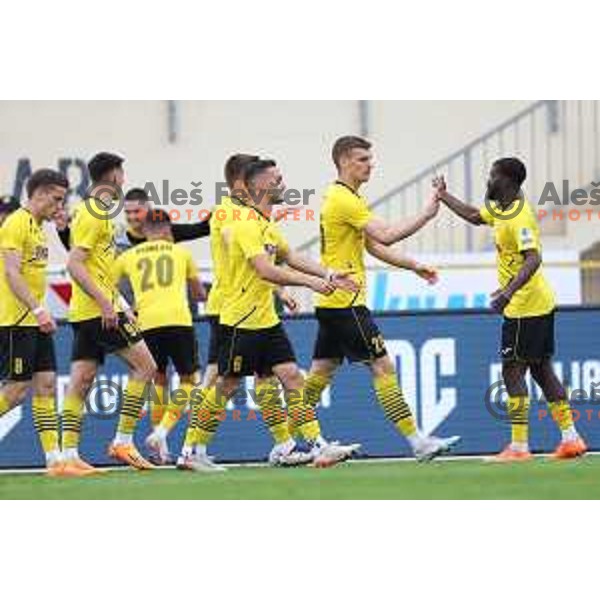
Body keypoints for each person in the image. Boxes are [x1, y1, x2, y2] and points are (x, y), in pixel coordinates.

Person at [191, 158, 361, 470]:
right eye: (278, 179)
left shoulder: (266, 224)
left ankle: (318, 445)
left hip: (266, 320)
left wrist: (329, 274)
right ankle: (193, 451)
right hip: (241, 319)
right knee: (227, 386)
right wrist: (312, 283)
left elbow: (291, 257)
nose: (283, 184)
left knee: (293, 378)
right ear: (260, 186)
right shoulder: (242, 222)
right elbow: (265, 269)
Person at [302, 136, 460, 461]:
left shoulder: (345, 198)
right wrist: (427, 214)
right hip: (346, 303)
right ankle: (418, 442)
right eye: (362, 159)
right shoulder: (344, 199)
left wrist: (414, 265)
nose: (369, 164)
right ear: (344, 161)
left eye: (369, 159)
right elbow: (386, 234)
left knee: (319, 375)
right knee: (382, 367)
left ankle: (288, 441)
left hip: (332, 304)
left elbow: (374, 246)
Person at [433, 158, 586, 461]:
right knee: (541, 370)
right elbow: (476, 216)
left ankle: (519, 446)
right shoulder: (502, 208)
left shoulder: (521, 217)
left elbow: (533, 258)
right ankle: (572, 439)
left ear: (507, 181)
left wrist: (507, 292)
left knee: (512, 370)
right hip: (532, 303)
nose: (488, 180)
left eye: (492, 175)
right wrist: (444, 195)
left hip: (525, 306)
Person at [62, 152, 158, 472]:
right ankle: (123, 440)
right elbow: (74, 263)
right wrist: (107, 304)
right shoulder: (92, 213)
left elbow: (98, 267)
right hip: (97, 311)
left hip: (90, 309)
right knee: (146, 366)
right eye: (121, 173)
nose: (124, 179)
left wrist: (121, 304)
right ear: (113, 175)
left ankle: (67, 456)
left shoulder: (94, 211)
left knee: (82, 380)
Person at [0, 170, 84, 476]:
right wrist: (38, 309)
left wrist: (63, 228)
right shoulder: (15, 224)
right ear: (39, 193)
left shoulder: (38, 227)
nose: (60, 205)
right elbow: (11, 273)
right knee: (15, 391)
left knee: (46, 386)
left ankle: (55, 460)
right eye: (57, 199)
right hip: (17, 320)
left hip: (34, 321)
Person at [111, 209, 206, 464]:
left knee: (159, 381)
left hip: (147, 323)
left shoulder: (128, 256)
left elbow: (105, 284)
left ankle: (159, 450)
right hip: (178, 321)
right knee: (189, 380)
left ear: (143, 231)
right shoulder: (182, 253)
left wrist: (125, 308)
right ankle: (161, 431)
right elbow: (198, 294)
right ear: (167, 230)